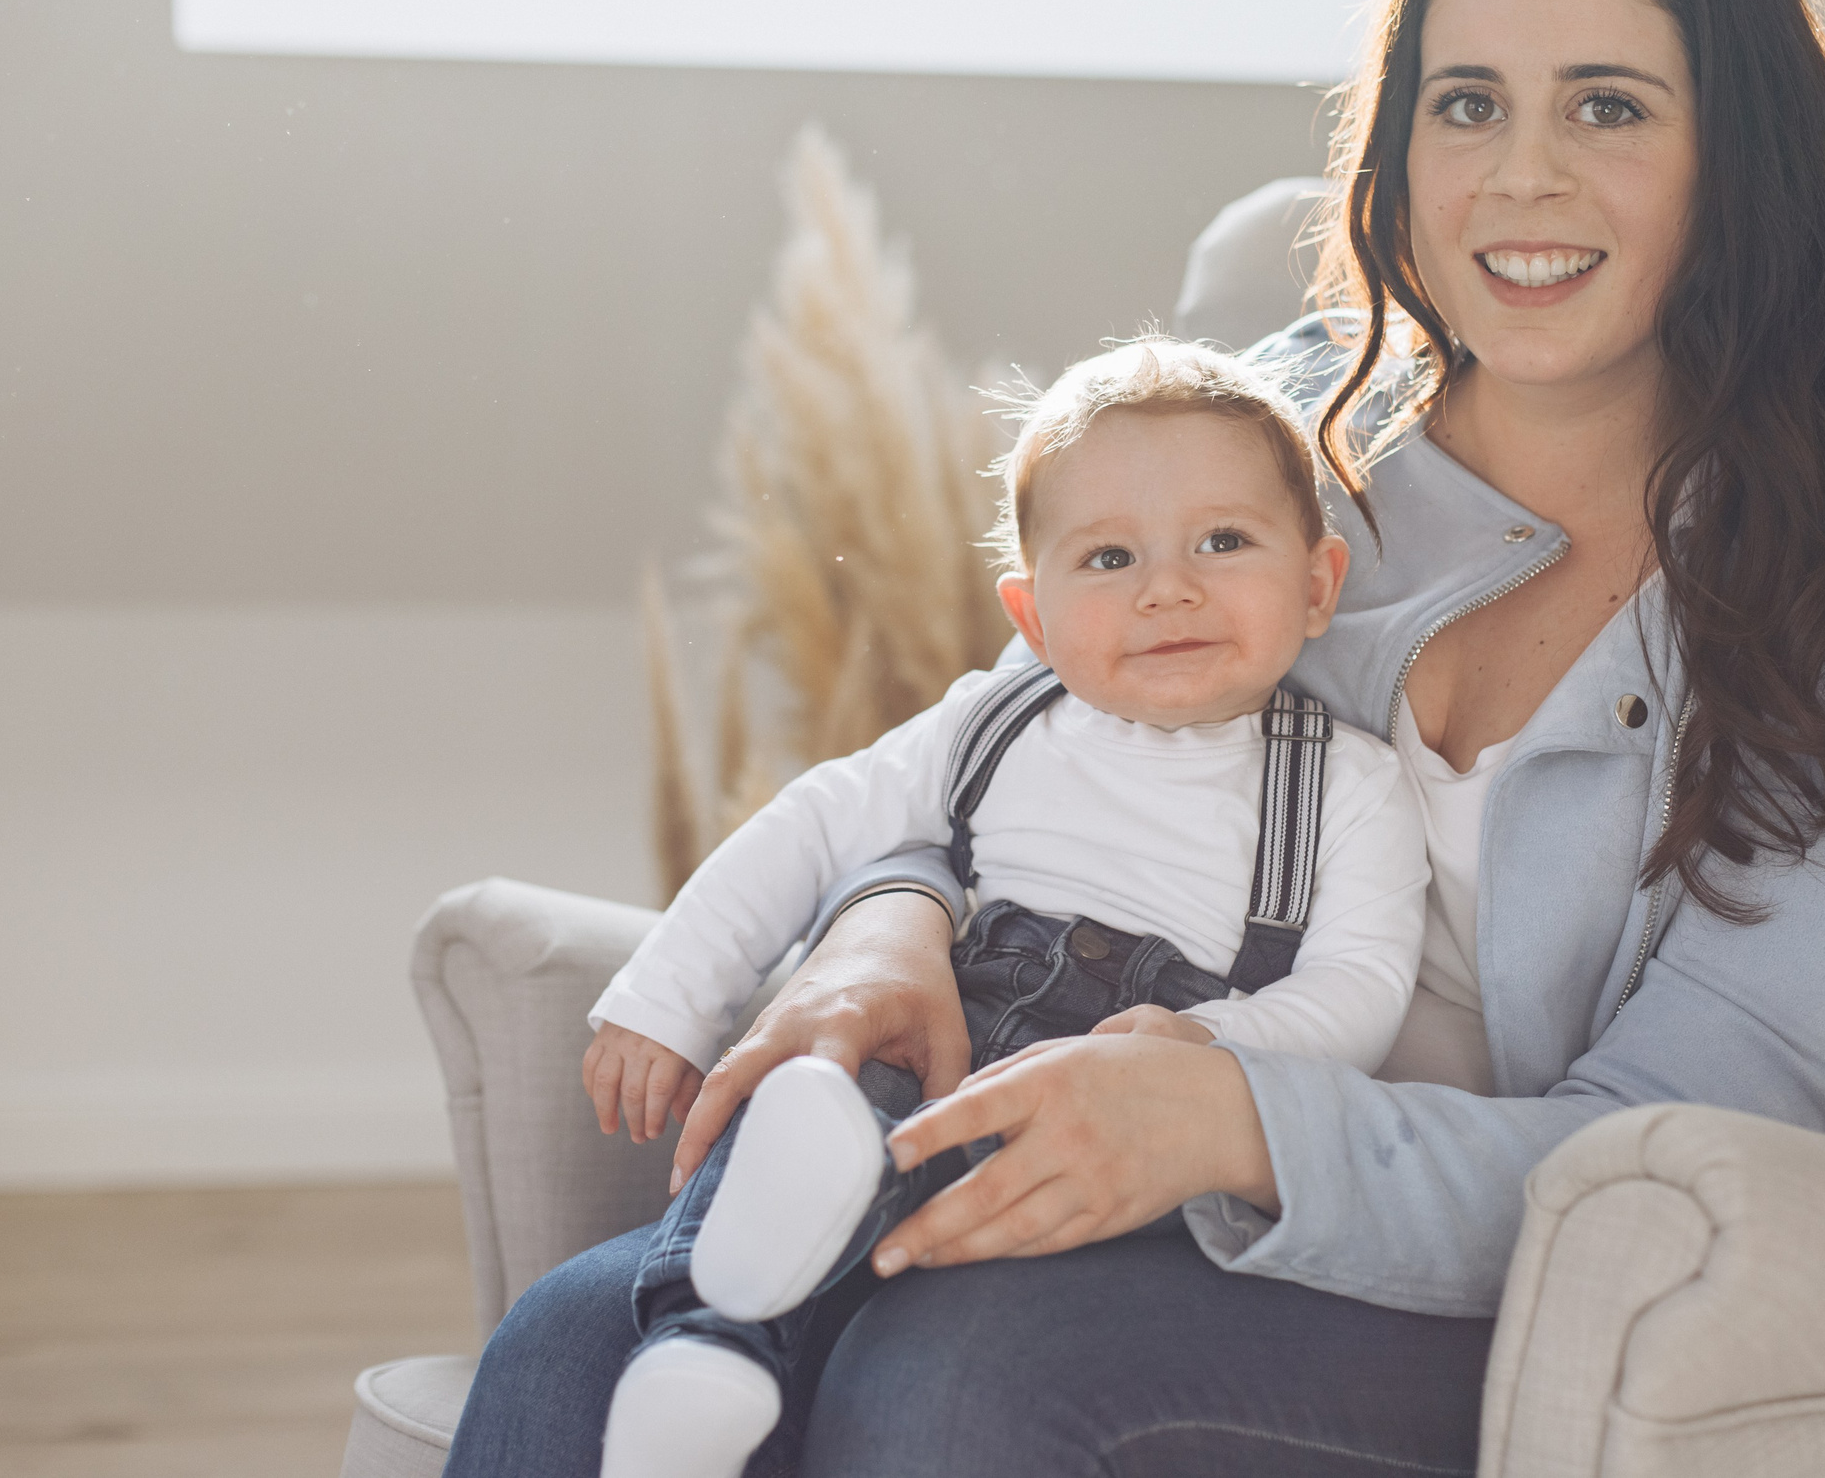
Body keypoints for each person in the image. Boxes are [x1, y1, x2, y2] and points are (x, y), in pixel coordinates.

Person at [443, 0, 1825, 1477]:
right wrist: (881, 919)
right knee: (581, 1343)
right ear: (1395, 148)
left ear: (1730, 153)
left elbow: (1677, 1159)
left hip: (1591, 1313)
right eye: (1468, 105)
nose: (1521, 178)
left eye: (1608, 105)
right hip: (1161, 1191)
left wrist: (1238, 1124)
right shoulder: (1291, 435)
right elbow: (1003, 748)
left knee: (958, 1383)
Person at [571, 339, 1429, 1477]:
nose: (1168, 587)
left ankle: (784, 1271)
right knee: (819, 1088)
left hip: (1129, 1112)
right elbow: (815, 824)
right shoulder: (994, 721)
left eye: (1223, 543)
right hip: (945, 1044)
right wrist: (669, 994)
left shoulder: (1347, 785)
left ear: (1317, 584)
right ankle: (707, 1349)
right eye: (1110, 556)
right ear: (1031, 617)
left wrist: (1211, 1042)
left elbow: (1361, 986)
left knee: (922, 1192)